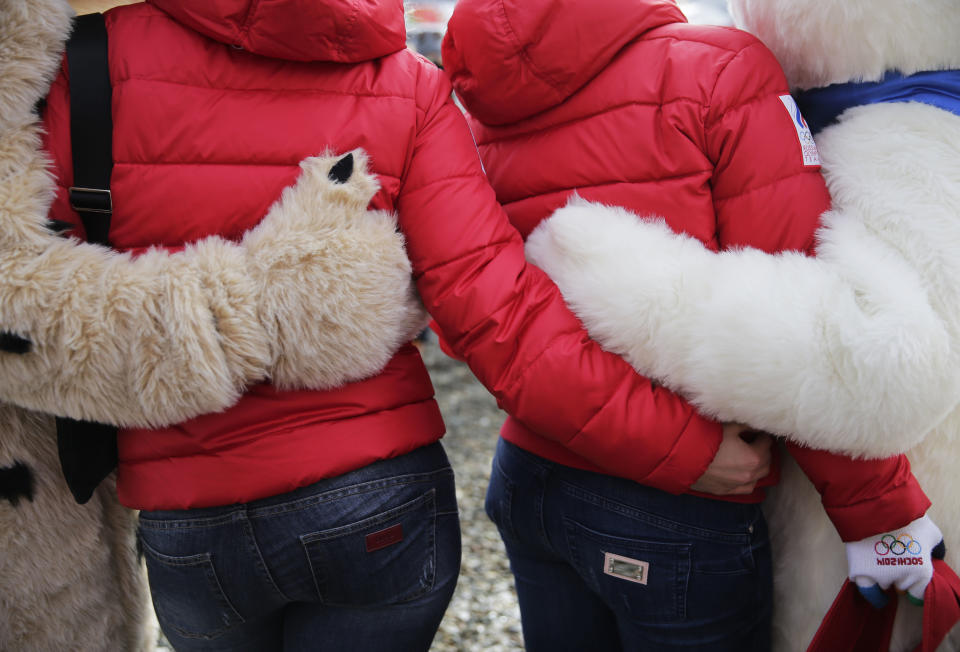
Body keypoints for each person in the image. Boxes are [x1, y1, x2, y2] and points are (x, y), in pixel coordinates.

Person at [0, 0, 783, 649]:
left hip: (186, 511)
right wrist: (682, 449)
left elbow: (29, 285)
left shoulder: (86, 60)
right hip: (374, 498)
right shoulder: (405, 82)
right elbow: (495, 312)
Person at [442, 0, 938, 649]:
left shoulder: (486, 113)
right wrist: (880, 514)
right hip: (672, 504)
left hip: (530, 470)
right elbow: (799, 322)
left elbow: (479, 320)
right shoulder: (720, 68)